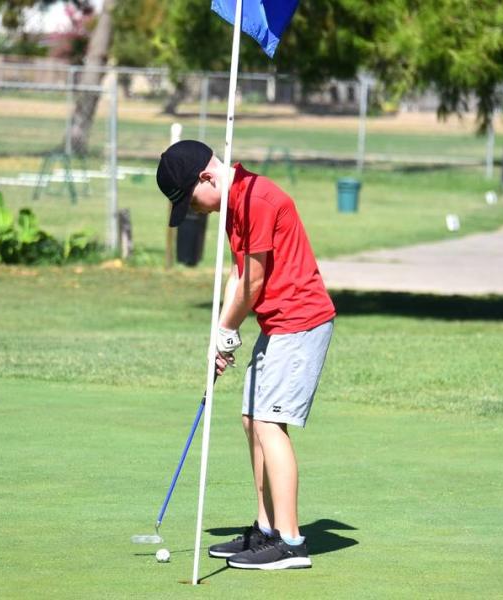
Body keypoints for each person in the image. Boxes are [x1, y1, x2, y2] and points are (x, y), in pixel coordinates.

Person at [156, 140, 336, 570]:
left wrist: (226, 330)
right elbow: (238, 275)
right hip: (278, 323)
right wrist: (221, 336)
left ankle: (291, 543)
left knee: (271, 422)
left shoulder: (258, 198)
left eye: (191, 201)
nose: (195, 211)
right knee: (251, 418)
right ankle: (267, 529)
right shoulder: (235, 203)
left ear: (206, 178)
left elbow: (253, 283)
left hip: (301, 321)